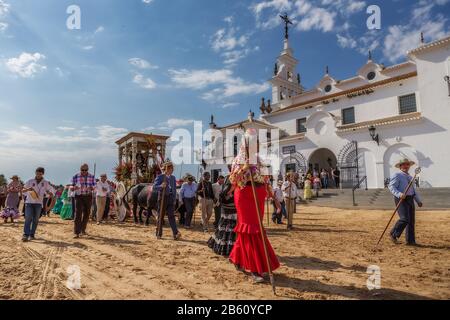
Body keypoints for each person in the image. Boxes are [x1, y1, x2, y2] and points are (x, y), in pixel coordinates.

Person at [228, 129, 280, 283]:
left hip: (258, 196)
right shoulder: (238, 159)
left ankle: (237, 258)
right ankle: (256, 268)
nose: (257, 145)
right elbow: (233, 179)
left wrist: (272, 196)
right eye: (254, 143)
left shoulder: (259, 160)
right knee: (250, 229)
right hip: (244, 195)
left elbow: (265, 179)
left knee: (251, 229)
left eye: (257, 143)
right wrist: (245, 167)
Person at [388, 158, 423, 246]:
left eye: (407, 164)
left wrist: (418, 200)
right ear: (400, 166)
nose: (406, 166)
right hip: (401, 199)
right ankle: (393, 234)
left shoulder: (411, 177)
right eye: (403, 164)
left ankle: (410, 241)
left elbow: (413, 190)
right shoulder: (397, 175)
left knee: (411, 221)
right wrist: (399, 194)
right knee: (404, 219)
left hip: (410, 199)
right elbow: (391, 187)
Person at [208, 172, 237, 256]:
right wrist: (230, 192)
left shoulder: (234, 179)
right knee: (227, 228)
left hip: (232, 209)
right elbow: (223, 194)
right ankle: (225, 247)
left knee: (228, 228)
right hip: (228, 209)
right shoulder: (230, 180)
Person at [21, 167, 54, 241]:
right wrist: (28, 189)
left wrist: (49, 193)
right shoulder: (30, 181)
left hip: (38, 204)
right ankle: (25, 234)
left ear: (43, 174)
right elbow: (23, 190)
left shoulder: (45, 183)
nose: (38, 175)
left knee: (36, 219)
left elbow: (49, 191)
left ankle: (32, 234)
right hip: (29, 202)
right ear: (35, 173)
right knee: (28, 218)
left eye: (40, 173)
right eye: (37, 173)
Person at [154, 161, 181, 240]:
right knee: (161, 216)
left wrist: (174, 199)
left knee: (171, 216)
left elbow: (174, 189)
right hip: (162, 198)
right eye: (171, 168)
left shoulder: (173, 178)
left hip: (170, 198)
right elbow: (154, 188)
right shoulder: (160, 177)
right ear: (167, 169)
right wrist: (161, 186)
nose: (172, 170)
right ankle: (159, 233)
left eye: (172, 169)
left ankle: (175, 233)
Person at [71, 163, 96, 238]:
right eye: (82, 170)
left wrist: (92, 188)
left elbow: (95, 185)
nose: (84, 171)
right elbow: (71, 185)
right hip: (79, 196)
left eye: (86, 170)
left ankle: (83, 229)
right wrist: (73, 188)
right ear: (80, 169)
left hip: (88, 196)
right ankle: (76, 232)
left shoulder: (92, 176)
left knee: (87, 213)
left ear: (88, 169)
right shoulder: (76, 176)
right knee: (78, 213)